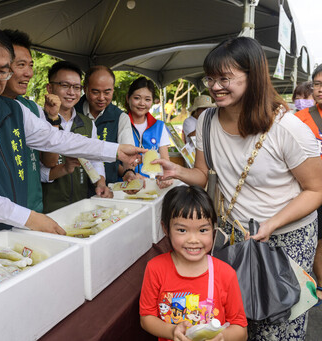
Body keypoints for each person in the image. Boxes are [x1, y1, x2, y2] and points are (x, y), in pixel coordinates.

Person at [154, 36, 322, 339]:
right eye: (211, 78)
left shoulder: (287, 127)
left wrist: (272, 223)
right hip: (239, 236)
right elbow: (204, 175)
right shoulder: (206, 120)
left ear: (253, 76)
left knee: (277, 325)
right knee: (238, 321)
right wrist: (178, 170)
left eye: (225, 78)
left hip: (287, 238)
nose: (215, 86)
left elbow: (316, 190)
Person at [0, 22, 145, 242]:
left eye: (3, 71)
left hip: (13, 231)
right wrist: (29, 218)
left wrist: (115, 151)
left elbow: (55, 138)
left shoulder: (12, 108)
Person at [140, 185, 248, 341]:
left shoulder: (226, 274)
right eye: (182, 230)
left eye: (203, 230)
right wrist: (172, 332)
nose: (193, 240)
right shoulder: (155, 268)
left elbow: (241, 330)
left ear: (213, 229)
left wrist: (221, 337)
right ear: (166, 228)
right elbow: (146, 318)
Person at [1, 28, 61, 213]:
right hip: (5, 213)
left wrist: (53, 118)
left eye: (31, 65)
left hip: (34, 207)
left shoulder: (32, 108)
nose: (29, 73)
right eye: (21, 65)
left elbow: (50, 161)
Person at [40, 61, 111, 213]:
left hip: (80, 206)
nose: (71, 92)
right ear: (49, 88)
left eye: (76, 87)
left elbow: (95, 159)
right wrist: (63, 169)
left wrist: (101, 183)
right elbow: (35, 171)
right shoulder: (37, 121)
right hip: (48, 209)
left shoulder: (87, 124)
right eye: (65, 85)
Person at [74, 65, 135, 184]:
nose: (101, 98)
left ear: (113, 89)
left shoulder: (120, 117)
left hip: (106, 188)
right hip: (75, 190)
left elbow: (128, 153)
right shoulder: (72, 111)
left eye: (107, 92)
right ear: (85, 88)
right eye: (95, 92)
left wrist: (129, 172)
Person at [294, 65, 322, 302]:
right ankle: (320, 285)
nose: (320, 89)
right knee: (318, 239)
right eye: (317, 84)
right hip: (312, 190)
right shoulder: (299, 120)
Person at [125, 77, 171, 188]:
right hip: (126, 186)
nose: (142, 103)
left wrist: (165, 178)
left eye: (147, 99)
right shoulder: (120, 124)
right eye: (137, 98)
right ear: (128, 98)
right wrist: (130, 174)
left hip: (152, 186)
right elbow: (114, 162)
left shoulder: (159, 126)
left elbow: (165, 161)